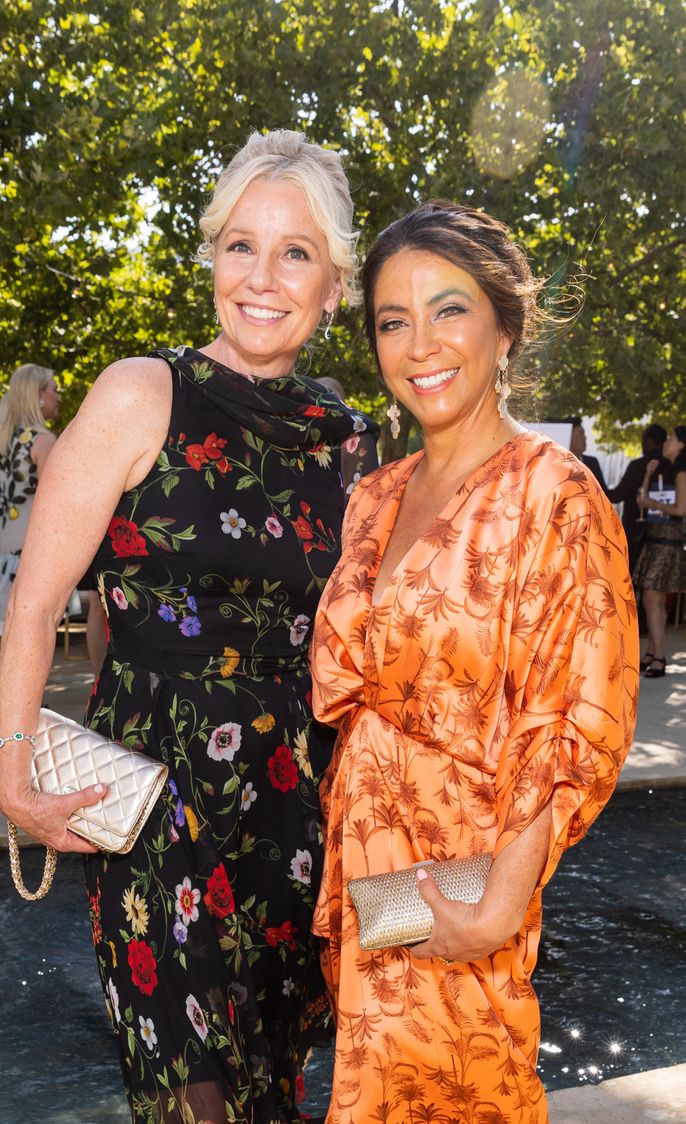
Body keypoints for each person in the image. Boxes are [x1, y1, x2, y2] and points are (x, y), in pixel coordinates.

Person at [0, 129, 378, 1124]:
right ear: (211, 257)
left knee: (273, 1082)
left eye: (295, 252)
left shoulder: (348, 438)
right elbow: (34, 601)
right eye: (240, 245)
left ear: (334, 284)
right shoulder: (139, 393)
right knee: (189, 1092)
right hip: (154, 798)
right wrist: (13, 767)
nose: (262, 277)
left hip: (295, 802)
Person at [310, 201, 639, 1124]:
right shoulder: (373, 497)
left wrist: (496, 909)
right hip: (370, 876)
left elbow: (571, 714)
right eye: (392, 320)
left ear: (506, 328)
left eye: (449, 309)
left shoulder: (554, 492)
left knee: (471, 1093)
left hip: (467, 878)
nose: (420, 344)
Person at [0, 364, 60, 647]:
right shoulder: (43, 441)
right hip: (33, 554)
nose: (59, 397)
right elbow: (54, 504)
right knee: (33, 638)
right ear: (38, 395)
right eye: (55, 390)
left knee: (5, 633)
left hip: (2, 553)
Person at [633, 426, 686, 678]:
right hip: (655, 540)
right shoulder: (666, 469)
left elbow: (681, 510)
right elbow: (642, 500)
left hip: (667, 542)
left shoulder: (682, 473)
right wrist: (647, 474)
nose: (666, 443)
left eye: (671, 439)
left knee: (653, 600)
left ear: (682, 445)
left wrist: (652, 503)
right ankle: (652, 653)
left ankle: (659, 657)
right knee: (651, 600)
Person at [607, 422, 666, 568]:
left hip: (636, 530)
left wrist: (596, 486)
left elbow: (617, 495)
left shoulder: (639, 465)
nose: (641, 444)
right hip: (663, 532)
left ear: (650, 440)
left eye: (643, 440)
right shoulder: (672, 465)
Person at [567, 415, 607, 490]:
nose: (585, 437)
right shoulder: (557, 463)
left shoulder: (592, 462)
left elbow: (603, 492)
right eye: (580, 433)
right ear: (568, 436)